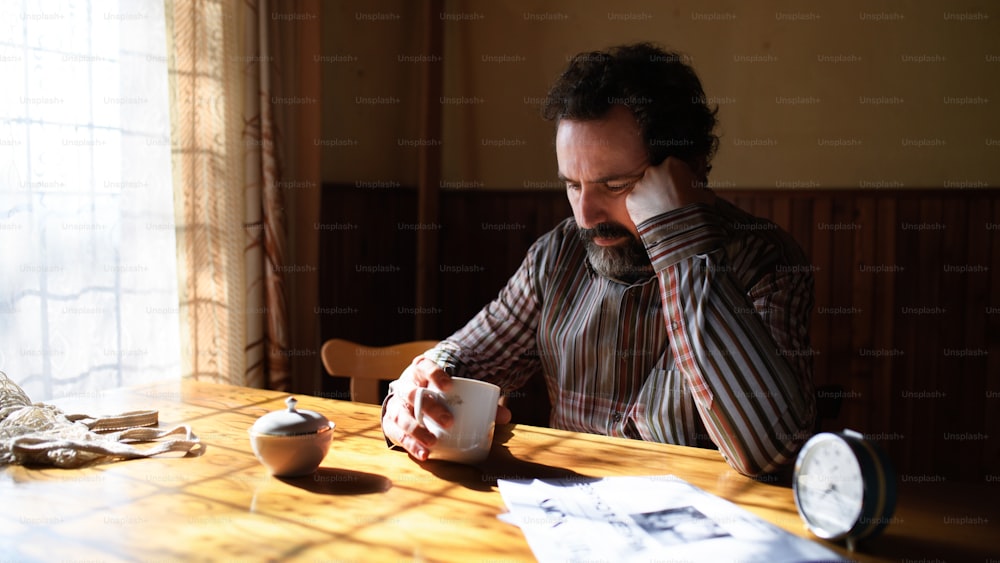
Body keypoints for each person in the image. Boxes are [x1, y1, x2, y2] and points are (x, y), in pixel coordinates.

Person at [381, 43, 816, 477]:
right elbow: (467, 358)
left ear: (689, 171)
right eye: (573, 185)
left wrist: (680, 242)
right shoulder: (558, 255)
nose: (585, 216)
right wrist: (413, 394)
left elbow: (772, 451)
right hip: (562, 516)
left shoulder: (765, 263)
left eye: (615, 184)